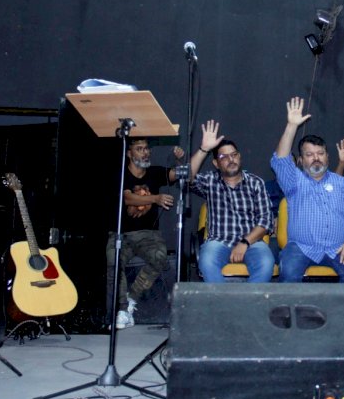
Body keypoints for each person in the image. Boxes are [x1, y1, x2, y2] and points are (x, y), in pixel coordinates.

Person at [270, 97, 344, 283]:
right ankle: (291, 312)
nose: (316, 158)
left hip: (337, 248)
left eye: (320, 153)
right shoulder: (293, 181)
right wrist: (291, 126)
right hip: (301, 247)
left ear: (327, 157)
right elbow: (280, 160)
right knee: (288, 273)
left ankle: (342, 313)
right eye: (309, 154)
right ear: (301, 160)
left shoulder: (343, 184)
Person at [108, 137, 184, 330]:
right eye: (139, 149)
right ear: (129, 153)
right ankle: (122, 310)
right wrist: (156, 198)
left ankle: (131, 299)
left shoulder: (155, 172)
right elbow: (127, 198)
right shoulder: (121, 173)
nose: (145, 152)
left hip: (148, 234)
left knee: (160, 258)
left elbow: (179, 174)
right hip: (121, 233)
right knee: (113, 260)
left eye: (147, 149)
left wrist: (179, 161)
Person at [189, 120, 275, 283]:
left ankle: (250, 304)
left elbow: (266, 221)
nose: (231, 159)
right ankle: (224, 305)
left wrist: (244, 242)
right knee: (206, 261)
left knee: (266, 263)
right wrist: (203, 149)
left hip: (251, 242)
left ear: (239, 156)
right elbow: (187, 178)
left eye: (234, 155)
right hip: (218, 242)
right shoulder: (210, 181)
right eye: (224, 157)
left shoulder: (255, 183)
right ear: (216, 163)